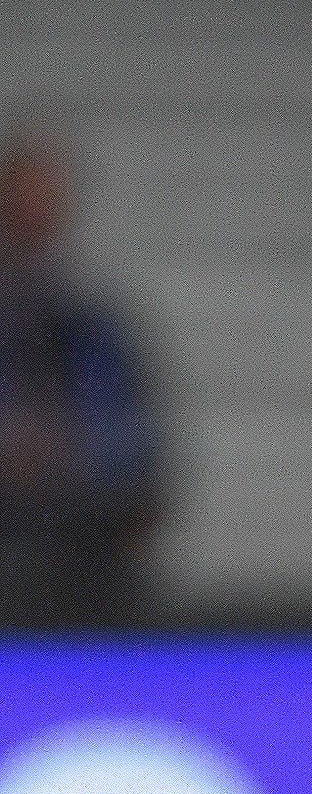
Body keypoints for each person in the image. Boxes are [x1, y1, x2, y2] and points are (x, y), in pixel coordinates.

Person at [0, 135, 168, 632]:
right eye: (20, 211)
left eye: (44, 213)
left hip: (82, 548)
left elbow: (135, 442)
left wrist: (80, 462)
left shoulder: (90, 325)